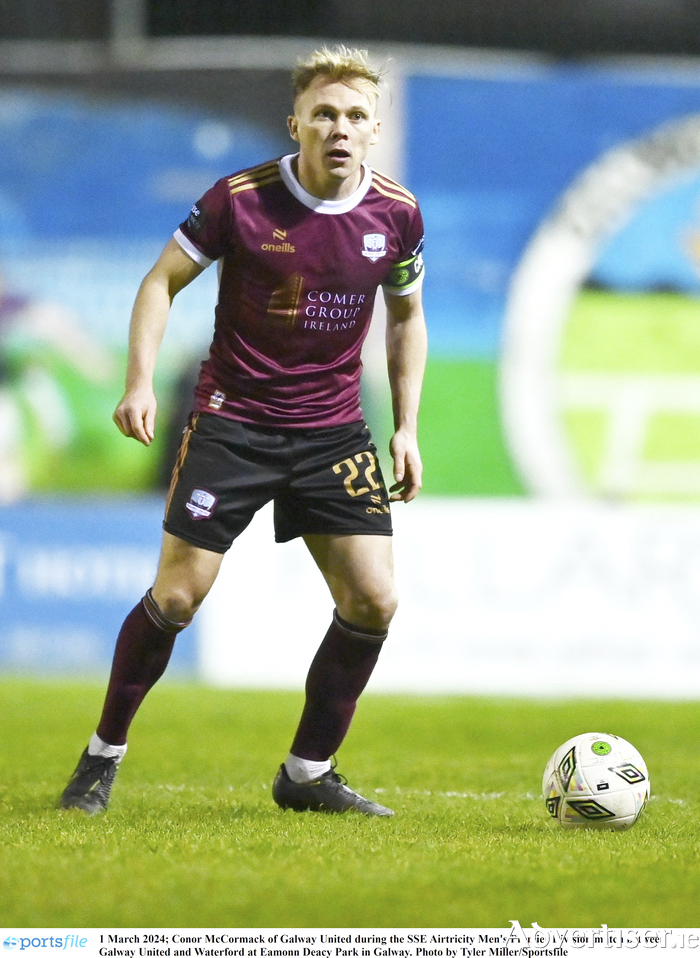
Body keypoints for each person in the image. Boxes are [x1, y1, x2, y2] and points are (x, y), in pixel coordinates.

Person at [59, 45, 427, 817]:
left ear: (374, 128)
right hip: (234, 422)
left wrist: (406, 427)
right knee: (179, 596)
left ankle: (306, 774)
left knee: (374, 601)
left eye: (355, 116)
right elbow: (161, 280)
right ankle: (101, 758)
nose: (339, 127)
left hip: (333, 433)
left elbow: (406, 317)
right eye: (324, 113)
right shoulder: (241, 199)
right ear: (295, 121)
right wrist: (137, 381)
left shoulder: (397, 214)